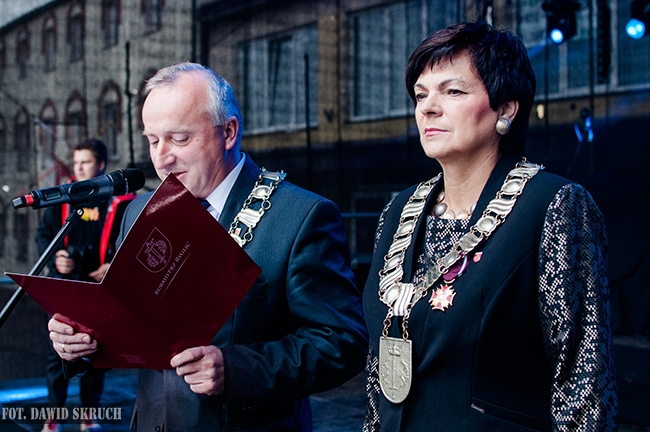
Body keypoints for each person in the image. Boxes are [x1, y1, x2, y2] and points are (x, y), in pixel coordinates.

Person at [47, 62, 368, 431]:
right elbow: (130, 326)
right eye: (153, 140)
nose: (161, 158)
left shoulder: (299, 216)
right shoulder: (138, 211)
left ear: (228, 132)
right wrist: (83, 343)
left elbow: (342, 342)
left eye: (179, 138)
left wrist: (235, 369)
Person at [362, 22, 617, 431]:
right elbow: (377, 376)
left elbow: (583, 382)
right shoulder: (397, 211)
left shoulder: (553, 206)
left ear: (505, 109)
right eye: (421, 94)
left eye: (453, 91)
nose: (427, 108)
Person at [36, 138, 135, 432]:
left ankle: (88, 415)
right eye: (76, 162)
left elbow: (133, 241)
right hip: (65, 287)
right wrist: (57, 257)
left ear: (101, 165)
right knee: (57, 355)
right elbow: (44, 235)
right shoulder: (62, 197)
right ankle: (53, 417)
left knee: (94, 352)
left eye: (86, 162)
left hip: (99, 288)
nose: (78, 168)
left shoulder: (120, 201)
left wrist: (115, 265)